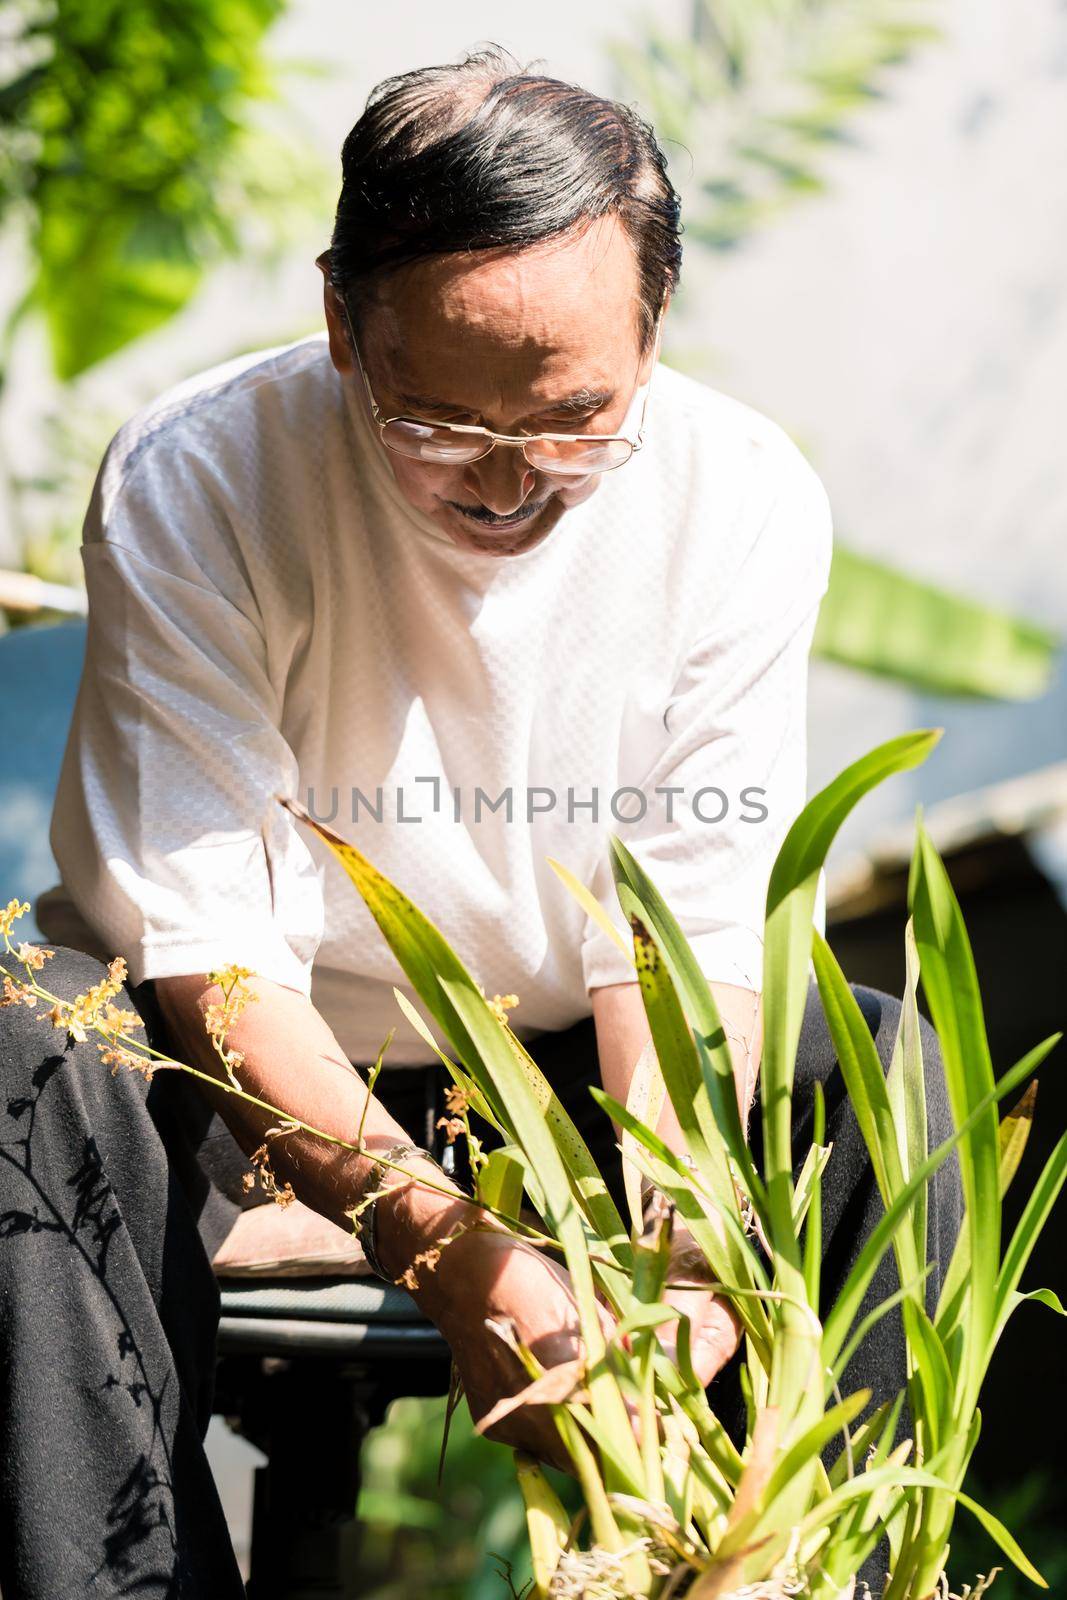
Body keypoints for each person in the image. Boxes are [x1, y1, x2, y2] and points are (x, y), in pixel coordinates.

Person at [0, 48, 960, 1598]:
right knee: (23, 1052)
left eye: (577, 421)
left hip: (565, 1087)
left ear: (650, 333)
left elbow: (675, 938)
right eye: (438, 424)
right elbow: (216, 966)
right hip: (228, 1100)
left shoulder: (739, 497)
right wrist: (448, 1252)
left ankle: (787, 1566)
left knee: (872, 1064)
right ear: (339, 327)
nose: (511, 484)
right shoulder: (201, 478)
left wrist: (678, 1240)